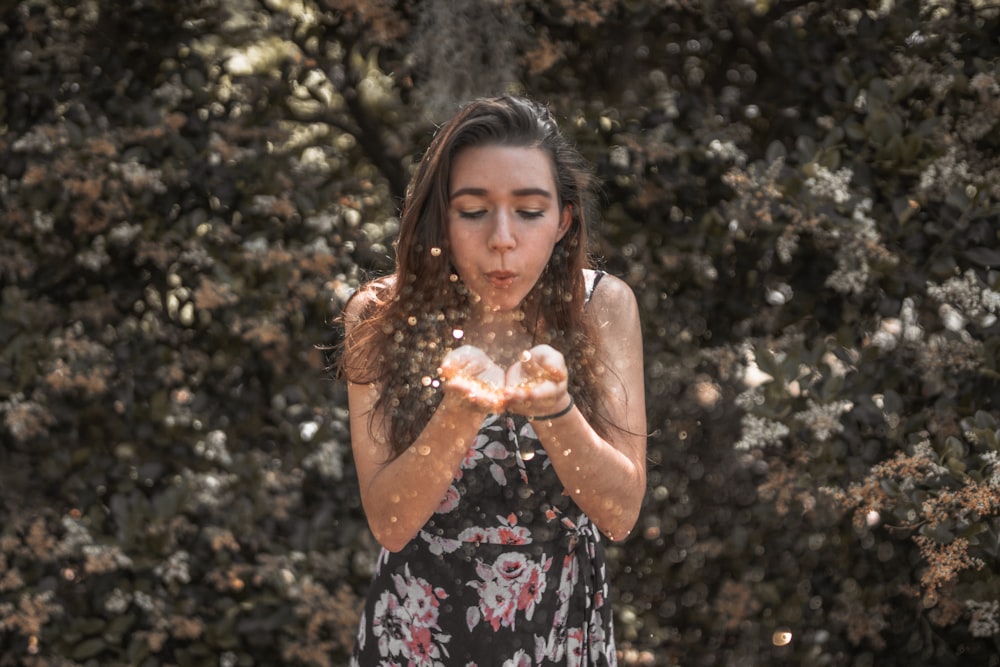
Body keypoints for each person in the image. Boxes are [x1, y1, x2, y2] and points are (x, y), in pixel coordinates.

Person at [337, 96, 646, 666]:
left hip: (560, 632)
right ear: (441, 218)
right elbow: (391, 522)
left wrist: (556, 411)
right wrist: (458, 411)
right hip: (419, 633)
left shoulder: (603, 306)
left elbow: (620, 513)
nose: (502, 238)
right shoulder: (380, 314)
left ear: (563, 221)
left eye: (529, 211)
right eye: (473, 211)